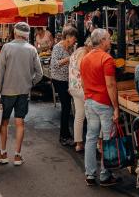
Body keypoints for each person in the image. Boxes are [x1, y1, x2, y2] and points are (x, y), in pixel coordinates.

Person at [0, 22, 43, 166]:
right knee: (20, 123)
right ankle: (17, 156)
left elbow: (0, 72)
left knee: (4, 122)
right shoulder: (32, 49)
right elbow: (39, 74)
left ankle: (3, 153)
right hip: (23, 91)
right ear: (26, 35)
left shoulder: (7, 47)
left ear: (15, 33)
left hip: (7, 91)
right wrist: (30, 83)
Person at [81, 28, 121, 187]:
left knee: (91, 138)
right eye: (109, 39)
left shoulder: (85, 57)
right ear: (103, 40)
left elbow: (83, 82)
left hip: (90, 101)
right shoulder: (107, 59)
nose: (110, 41)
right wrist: (116, 107)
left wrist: (88, 95)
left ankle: (90, 174)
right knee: (107, 139)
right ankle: (105, 175)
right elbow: (111, 85)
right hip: (104, 103)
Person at [50, 26, 78, 146]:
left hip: (68, 80)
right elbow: (55, 64)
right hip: (59, 80)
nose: (75, 40)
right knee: (66, 107)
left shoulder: (70, 47)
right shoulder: (57, 47)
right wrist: (68, 59)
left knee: (67, 107)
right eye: (73, 38)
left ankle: (66, 134)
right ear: (67, 37)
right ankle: (64, 136)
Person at [68, 35, 93, 152]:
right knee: (92, 115)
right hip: (82, 88)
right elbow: (81, 67)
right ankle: (96, 143)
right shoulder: (84, 53)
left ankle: (78, 143)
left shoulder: (76, 51)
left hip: (73, 87)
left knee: (79, 115)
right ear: (90, 46)